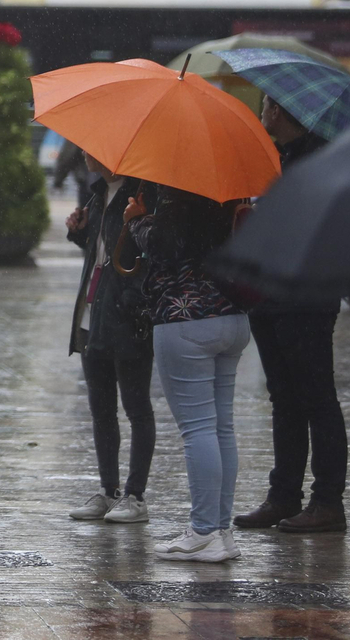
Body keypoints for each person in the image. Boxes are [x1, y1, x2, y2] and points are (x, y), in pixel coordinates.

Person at [235, 97, 347, 534]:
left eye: (265, 104)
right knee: (284, 399)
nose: (262, 110)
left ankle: (328, 501)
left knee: (317, 398)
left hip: (307, 297)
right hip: (270, 296)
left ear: (279, 112)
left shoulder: (322, 162)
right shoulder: (277, 160)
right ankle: (283, 495)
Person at [118, 184, 247, 563]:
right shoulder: (226, 189)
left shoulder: (181, 191)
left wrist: (137, 220)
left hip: (186, 317)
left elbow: (165, 246)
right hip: (232, 314)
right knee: (221, 426)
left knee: (199, 429)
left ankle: (205, 530)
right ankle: (221, 531)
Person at [64, 155, 153, 523]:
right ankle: (108, 490)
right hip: (92, 314)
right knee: (101, 409)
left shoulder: (143, 195)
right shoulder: (97, 194)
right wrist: (80, 232)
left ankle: (135, 495)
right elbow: (101, 251)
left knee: (135, 406)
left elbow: (143, 253)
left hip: (126, 316)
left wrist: (133, 299)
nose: (86, 154)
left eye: (91, 149)